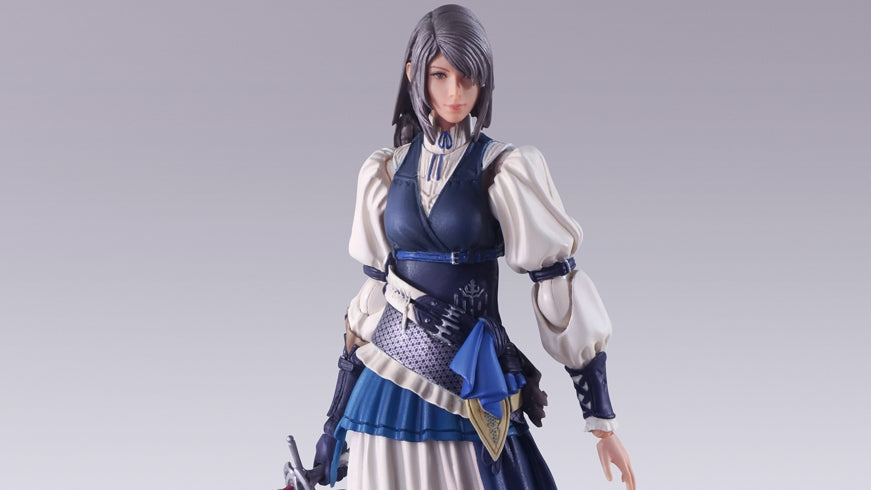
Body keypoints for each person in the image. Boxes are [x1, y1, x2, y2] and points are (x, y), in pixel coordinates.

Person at [308, 4, 635, 489]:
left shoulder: (503, 167)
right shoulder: (385, 170)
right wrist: (331, 428)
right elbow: (371, 303)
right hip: (387, 375)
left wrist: (601, 420)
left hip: (470, 377)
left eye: (468, 78)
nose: (455, 93)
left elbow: (558, 287)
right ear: (414, 75)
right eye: (440, 75)